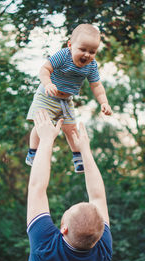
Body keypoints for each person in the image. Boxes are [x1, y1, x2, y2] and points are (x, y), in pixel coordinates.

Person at [23, 110, 112, 261]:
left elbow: (38, 187)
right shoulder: (101, 253)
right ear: (99, 235)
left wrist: (46, 140)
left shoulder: (46, 246)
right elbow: (97, 196)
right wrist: (84, 152)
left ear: (63, 228)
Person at [25, 23, 112, 173]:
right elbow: (45, 69)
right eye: (82, 49)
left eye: (92, 51)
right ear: (70, 45)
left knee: (71, 129)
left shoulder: (91, 66)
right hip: (47, 95)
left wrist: (104, 102)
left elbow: (96, 85)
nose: (87, 55)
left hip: (66, 101)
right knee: (42, 124)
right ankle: (33, 153)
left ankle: (78, 158)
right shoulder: (63, 55)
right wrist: (48, 84)